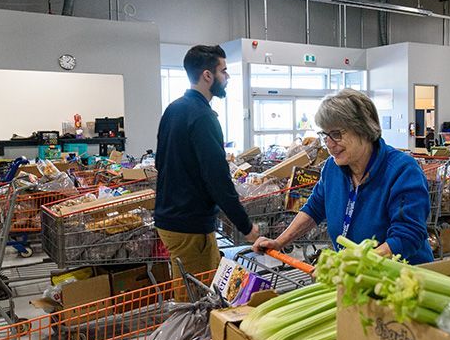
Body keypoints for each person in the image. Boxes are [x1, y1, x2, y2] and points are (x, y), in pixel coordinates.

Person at [255, 89, 433, 264]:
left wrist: (357, 264)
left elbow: (407, 236)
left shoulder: (402, 171)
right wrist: (279, 242)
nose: (329, 145)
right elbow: (314, 208)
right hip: (358, 277)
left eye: (336, 134)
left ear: (364, 129)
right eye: (325, 135)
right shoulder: (332, 168)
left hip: (403, 278)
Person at [154, 45, 259, 277]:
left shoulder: (173, 109)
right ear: (207, 75)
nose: (227, 77)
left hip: (169, 218)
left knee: (186, 291)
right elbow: (217, 178)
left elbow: (159, 162)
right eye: (224, 71)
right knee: (196, 301)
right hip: (189, 225)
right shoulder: (203, 117)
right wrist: (246, 227)